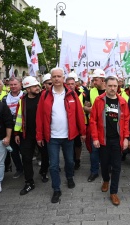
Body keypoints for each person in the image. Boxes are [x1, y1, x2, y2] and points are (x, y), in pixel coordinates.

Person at [36, 67, 86, 203]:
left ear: (63, 78)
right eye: (54, 77)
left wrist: (83, 132)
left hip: (68, 136)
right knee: (53, 165)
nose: (57, 79)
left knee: (70, 161)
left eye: (59, 76)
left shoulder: (72, 94)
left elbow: (79, 115)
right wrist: (39, 136)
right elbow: (39, 117)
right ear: (51, 79)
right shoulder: (45, 95)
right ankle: (56, 189)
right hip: (52, 137)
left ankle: (69, 177)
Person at [90, 76, 130, 206]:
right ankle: (106, 180)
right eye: (110, 86)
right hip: (103, 140)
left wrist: (125, 138)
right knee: (105, 164)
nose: (113, 88)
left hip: (117, 140)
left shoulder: (122, 102)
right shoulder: (99, 100)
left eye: (115, 86)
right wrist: (95, 138)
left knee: (117, 167)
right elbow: (93, 120)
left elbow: (126, 122)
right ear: (105, 86)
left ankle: (113, 192)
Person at [14, 76, 50, 196]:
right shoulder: (22, 100)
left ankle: (43, 172)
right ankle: (29, 182)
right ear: (27, 89)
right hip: (26, 135)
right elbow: (19, 117)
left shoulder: (44, 97)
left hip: (42, 134)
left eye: (37, 85)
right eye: (34, 86)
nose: (37, 88)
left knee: (45, 155)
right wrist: (17, 133)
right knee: (26, 158)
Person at [83, 69, 106, 182]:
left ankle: (107, 169)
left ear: (102, 80)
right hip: (95, 126)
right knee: (94, 151)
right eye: (93, 80)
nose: (94, 82)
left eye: (95, 80)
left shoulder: (111, 90)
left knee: (107, 150)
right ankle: (94, 171)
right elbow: (85, 107)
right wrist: (92, 110)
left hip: (108, 126)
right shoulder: (91, 92)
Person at [2, 77, 24, 178]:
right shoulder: (5, 98)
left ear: (20, 84)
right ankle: (19, 169)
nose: (13, 86)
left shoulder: (25, 95)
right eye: (11, 85)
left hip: (23, 128)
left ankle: (27, 167)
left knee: (24, 150)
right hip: (10, 128)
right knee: (13, 151)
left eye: (15, 84)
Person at [66, 72, 87, 170]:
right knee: (69, 144)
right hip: (68, 123)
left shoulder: (82, 93)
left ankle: (77, 159)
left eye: (72, 84)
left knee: (78, 144)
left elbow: (87, 104)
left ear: (76, 84)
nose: (70, 86)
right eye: (68, 84)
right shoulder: (63, 94)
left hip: (80, 121)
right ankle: (70, 160)